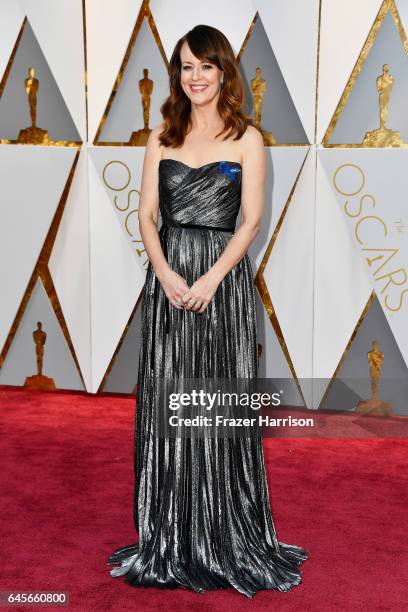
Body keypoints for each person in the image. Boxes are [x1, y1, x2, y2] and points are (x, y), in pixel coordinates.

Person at [108, 24, 308, 598]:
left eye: (205, 67)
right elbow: (148, 216)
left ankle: (226, 533)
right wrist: (167, 274)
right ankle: (171, 532)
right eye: (185, 67)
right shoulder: (160, 137)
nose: (195, 78)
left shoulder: (248, 139)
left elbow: (249, 221)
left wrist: (212, 278)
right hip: (170, 285)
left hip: (223, 287)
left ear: (224, 74)